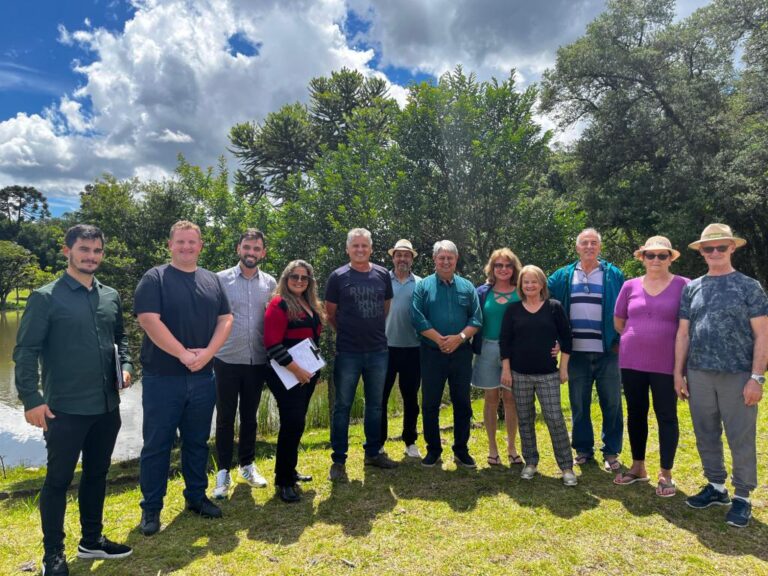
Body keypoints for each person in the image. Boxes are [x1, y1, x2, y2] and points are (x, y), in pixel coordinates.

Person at [13, 224, 133, 575]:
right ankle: (53, 554)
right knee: (57, 481)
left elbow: (121, 338)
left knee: (97, 474)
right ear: (67, 251)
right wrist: (31, 399)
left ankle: (91, 541)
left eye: (97, 250)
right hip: (63, 409)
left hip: (106, 407)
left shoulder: (110, 296)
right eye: (84, 249)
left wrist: (126, 366)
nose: (91, 256)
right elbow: (25, 351)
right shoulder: (45, 297)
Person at [134, 220, 233, 536]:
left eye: (192, 242)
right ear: (170, 245)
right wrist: (183, 354)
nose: (186, 247)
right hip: (163, 378)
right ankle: (151, 508)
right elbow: (149, 320)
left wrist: (208, 353)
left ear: (200, 245)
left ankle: (196, 497)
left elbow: (226, 319)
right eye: (180, 242)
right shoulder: (155, 278)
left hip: (203, 378)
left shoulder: (212, 280)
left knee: (197, 442)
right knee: (157, 445)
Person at [674, 223, 768, 528]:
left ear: (732, 248)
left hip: (738, 374)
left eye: (721, 247)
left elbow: (763, 334)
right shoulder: (693, 288)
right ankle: (716, 486)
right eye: (708, 248)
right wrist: (678, 372)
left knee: (740, 436)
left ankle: (742, 496)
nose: (715, 252)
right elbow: (683, 333)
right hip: (699, 372)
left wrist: (757, 377)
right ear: (701, 252)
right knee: (705, 432)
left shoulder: (749, 287)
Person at [613, 236, 689, 496]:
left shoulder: (684, 285)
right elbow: (619, 322)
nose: (656, 260)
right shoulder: (629, 286)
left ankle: (666, 473)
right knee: (636, 413)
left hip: (667, 363)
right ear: (642, 258)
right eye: (650, 255)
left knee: (666, 415)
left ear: (670, 258)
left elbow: (687, 327)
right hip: (632, 361)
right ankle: (638, 467)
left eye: (662, 255)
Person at [548, 228, 625, 471]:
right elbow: (539, 294)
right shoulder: (563, 276)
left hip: (608, 351)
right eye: (585, 243)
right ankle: (583, 450)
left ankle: (611, 451)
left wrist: (620, 340)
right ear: (577, 248)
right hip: (576, 352)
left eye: (593, 243)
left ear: (599, 247)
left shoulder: (614, 275)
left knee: (612, 403)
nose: (589, 247)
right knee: (579, 403)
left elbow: (627, 308)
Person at [325, 228, 397, 481]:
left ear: (371, 248)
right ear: (347, 249)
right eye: (355, 245)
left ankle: (373, 452)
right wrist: (347, 332)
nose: (360, 249)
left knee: (375, 405)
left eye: (364, 245)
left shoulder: (382, 275)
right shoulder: (337, 277)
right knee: (342, 406)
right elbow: (330, 313)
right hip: (348, 352)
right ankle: (339, 460)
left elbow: (385, 307)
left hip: (378, 351)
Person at [212, 229, 276, 499]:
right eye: (247, 247)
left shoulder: (270, 283)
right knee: (225, 418)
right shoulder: (219, 279)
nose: (251, 253)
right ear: (238, 248)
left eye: (256, 248)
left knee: (250, 416)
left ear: (263, 252)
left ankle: (247, 465)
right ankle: (223, 472)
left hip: (256, 360)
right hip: (226, 359)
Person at [500, 265, 577, 486]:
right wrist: (506, 370)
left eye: (534, 281)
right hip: (520, 374)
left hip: (548, 374)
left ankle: (566, 467)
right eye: (526, 282)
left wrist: (563, 368)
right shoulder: (513, 310)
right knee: (525, 419)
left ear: (542, 284)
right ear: (520, 285)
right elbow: (505, 342)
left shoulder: (554, 307)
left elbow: (567, 339)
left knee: (555, 418)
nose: (530, 285)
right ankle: (531, 462)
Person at [411, 240, 482, 468]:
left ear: (456, 259)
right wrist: (440, 340)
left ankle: (461, 450)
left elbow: (476, 318)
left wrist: (458, 338)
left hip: (461, 353)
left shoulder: (467, 287)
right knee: (430, 403)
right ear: (434, 259)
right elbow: (417, 317)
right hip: (432, 353)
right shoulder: (423, 287)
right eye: (441, 257)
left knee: (462, 402)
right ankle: (433, 450)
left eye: (450, 258)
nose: (445, 261)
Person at [264, 260, 325, 502]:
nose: (299, 281)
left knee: (297, 424)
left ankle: (289, 470)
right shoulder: (278, 304)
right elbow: (272, 345)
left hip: (306, 374)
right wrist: (297, 370)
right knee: (291, 424)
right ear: (285, 278)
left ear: (310, 282)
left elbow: (313, 340)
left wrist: (313, 370)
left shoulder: (310, 303)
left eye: (304, 277)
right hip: (286, 374)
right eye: (294, 276)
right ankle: (284, 482)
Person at [472, 248, 523, 466]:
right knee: (491, 399)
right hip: (487, 349)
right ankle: (492, 448)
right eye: (499, 265)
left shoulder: (522, 291)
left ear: (514, 268)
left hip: (515, 351)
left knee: (511, 400)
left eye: (508, 265)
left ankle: (512, 447)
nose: (503, 269)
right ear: (492, 268)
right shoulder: (482, 292)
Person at [381, 239, 423, 459]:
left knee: (411, 399)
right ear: (393, 257)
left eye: (407, 255)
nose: (402, 259)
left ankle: (410, 441)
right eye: (399, 255)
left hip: (413, 349)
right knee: (380, 398)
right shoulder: (381, 280)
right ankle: (378, 443)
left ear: (412, 259)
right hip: (384, 348)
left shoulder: (421, 283)